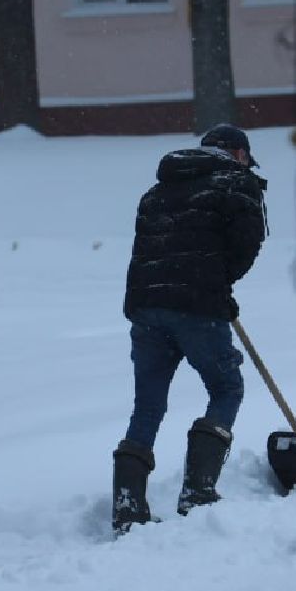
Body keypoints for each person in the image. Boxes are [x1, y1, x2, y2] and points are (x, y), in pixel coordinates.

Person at [112, 123, 267, 534]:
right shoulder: (238, 184)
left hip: (146, 308)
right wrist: (217, 285)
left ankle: (128, 506)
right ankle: (198, 493)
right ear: (238, 154)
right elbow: (246, 246)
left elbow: (149, 250)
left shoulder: (158, 190)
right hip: (198, 308)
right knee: (226, 389)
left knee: (147, 406)